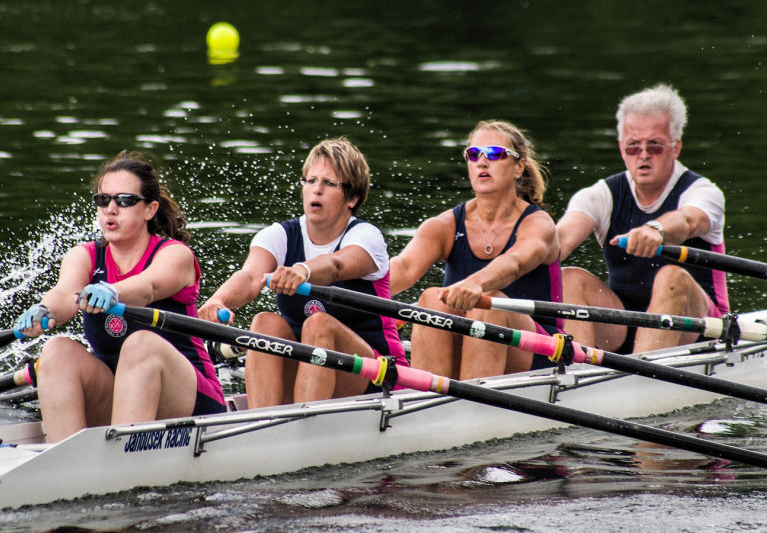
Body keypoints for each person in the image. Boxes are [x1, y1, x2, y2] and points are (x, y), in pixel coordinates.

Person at [15, 151, 226, 442]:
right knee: (57, 350)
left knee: (140, 344)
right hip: (118, 397)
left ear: (149, 210)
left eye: (124, 200)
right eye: (103, 200)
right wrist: (44, 308)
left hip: (190, 400)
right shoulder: (85, 256)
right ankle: (64, 457)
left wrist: (113, 290)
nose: (110, 209)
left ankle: (120, 462)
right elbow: (65, 294)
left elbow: (148, 287)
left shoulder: (174, 254)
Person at [198, 137, 407, 408]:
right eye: (310, 181)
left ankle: (299, 427)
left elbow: (336, 265)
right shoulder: (279, 235)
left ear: (352, 198)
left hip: (377, 377)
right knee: (264, 322)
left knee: (319, 324)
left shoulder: (367, 237)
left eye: (329, 183)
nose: (316, 190)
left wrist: (303, 270)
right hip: (311, 371)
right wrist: (218, 301)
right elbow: (250, 277)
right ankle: (264, 421)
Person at [556, 84, 728, 354]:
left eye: (655, 146)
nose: (644, 155)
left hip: (698, 330)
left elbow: (687, 221)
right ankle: (576, 376)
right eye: (634, 146)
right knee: (570, 279)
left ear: (676, 148)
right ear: (622, 149)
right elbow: (560, 241)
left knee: (672, 276)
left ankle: (640, 377)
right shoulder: (600, 195)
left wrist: (656, 229)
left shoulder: (703, 192)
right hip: (622, 328)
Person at [390, 120, 562, 380]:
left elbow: (515, 262)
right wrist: (341, 288)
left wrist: (475, 283)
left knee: (488, 303)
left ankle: (470, 403)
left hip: (541, 353)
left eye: (494, 154)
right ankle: (426, 399)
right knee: (430, 299)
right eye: (473, 154)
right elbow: (402, 268)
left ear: (519, 166)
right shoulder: (444, 225)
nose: (482, 161)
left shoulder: (538, 224)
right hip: (473, 339)